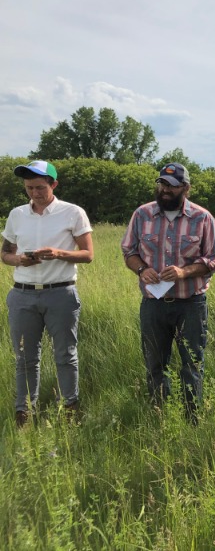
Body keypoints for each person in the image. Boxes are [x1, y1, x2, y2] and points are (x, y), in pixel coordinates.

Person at [121, 163, 215, 422]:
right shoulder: (142, 215)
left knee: (192, 364)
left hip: (191, 303)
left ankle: (192, 419)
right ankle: (160, 416)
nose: (165, 190)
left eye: (172, 186)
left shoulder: (202, 218)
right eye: (162, 184)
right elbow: (129, 252)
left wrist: (183, 272)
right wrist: (142, 270)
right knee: (155, 363)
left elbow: (213, 259)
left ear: (185, 188)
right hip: (153, 303)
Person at [1, 160, 93, 427]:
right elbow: (5, 254)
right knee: (25, 357)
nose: (34, 193)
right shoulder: (17, 214)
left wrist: (58, 254)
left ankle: (70, 409)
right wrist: (19, 260)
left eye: (40, 187)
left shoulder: (73, 213)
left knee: (65, 354)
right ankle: (25, 413)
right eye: (29, 188)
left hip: (60, 293)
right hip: (22, 295)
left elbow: (88, 254)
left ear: (54, 184)